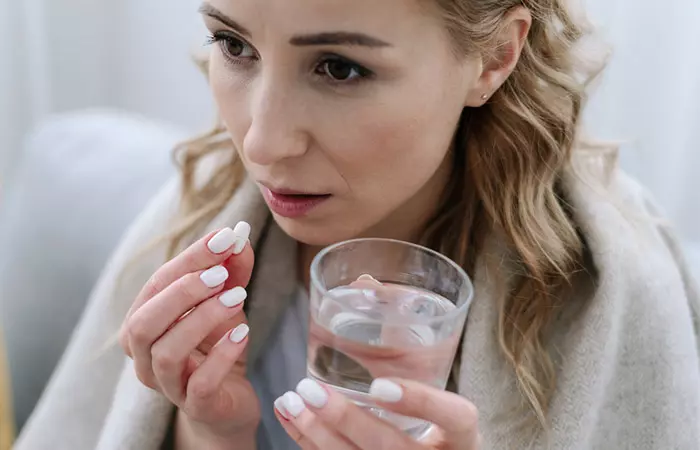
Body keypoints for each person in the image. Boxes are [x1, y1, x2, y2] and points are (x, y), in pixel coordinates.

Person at [14, 0, 700, 449]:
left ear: (494, 58)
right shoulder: (198, 210)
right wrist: (210, 430)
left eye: (339, 68)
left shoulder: (611, 291)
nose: (261, 143)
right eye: (233, 44)